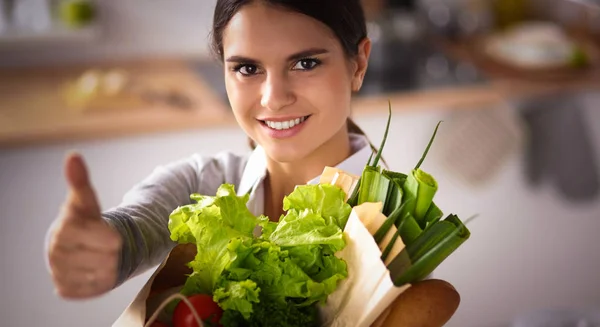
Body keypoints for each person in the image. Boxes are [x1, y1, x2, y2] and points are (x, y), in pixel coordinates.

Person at [45, 0, 459, 325]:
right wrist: (100, 248)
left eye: (305, 63)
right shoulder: (205, 183)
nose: (273, 97)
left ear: (359, 63)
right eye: (247, 68)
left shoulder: (396, 233)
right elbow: (136, 226)